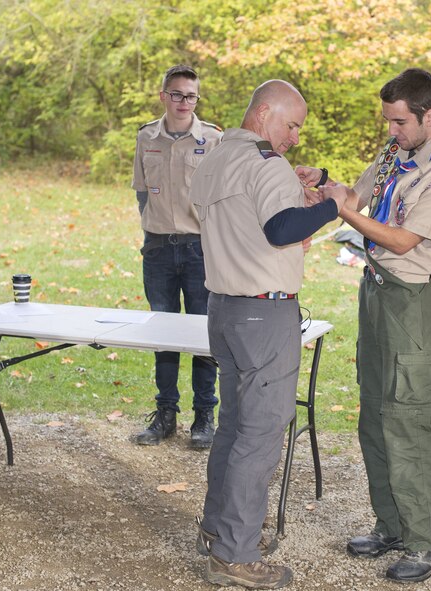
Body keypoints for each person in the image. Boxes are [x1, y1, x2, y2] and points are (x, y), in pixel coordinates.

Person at [298, 68, 431, 584]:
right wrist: (325, 187)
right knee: (373, 412)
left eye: (399, 122)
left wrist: (343, 214)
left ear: (428, 116)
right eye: (389, 121)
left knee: (407, 418)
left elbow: (400, 240)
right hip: (376, 292)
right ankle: (391, 525)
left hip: (412, 299)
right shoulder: (398, 151)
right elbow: (357, 198)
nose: (391, 131)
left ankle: (427, 542)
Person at [190, 80, 347, 589]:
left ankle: (218, 529)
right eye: (292, 124)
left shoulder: (214, 156)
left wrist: (299, 197)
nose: (296, 138)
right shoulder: (267, 165)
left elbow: (239, 222)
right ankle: (235, 553)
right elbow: (280, 231)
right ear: (263, 114)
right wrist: (333, 205)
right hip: (264, 313)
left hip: (223, 309)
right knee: (260, 434)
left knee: (234, 425)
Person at [131, 65, 223, 448]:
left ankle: (204, 415)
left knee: (204, 334)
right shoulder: (146, 137)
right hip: (158, 249)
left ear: (197, 99)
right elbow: (141, 192)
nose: (184, 102)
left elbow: (222, 199)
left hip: (199, 249)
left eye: (191, 96)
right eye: (177, 94)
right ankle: (165, 413)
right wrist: (155, 230)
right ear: (163, 95)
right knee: (164, 333)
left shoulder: (214, 139)